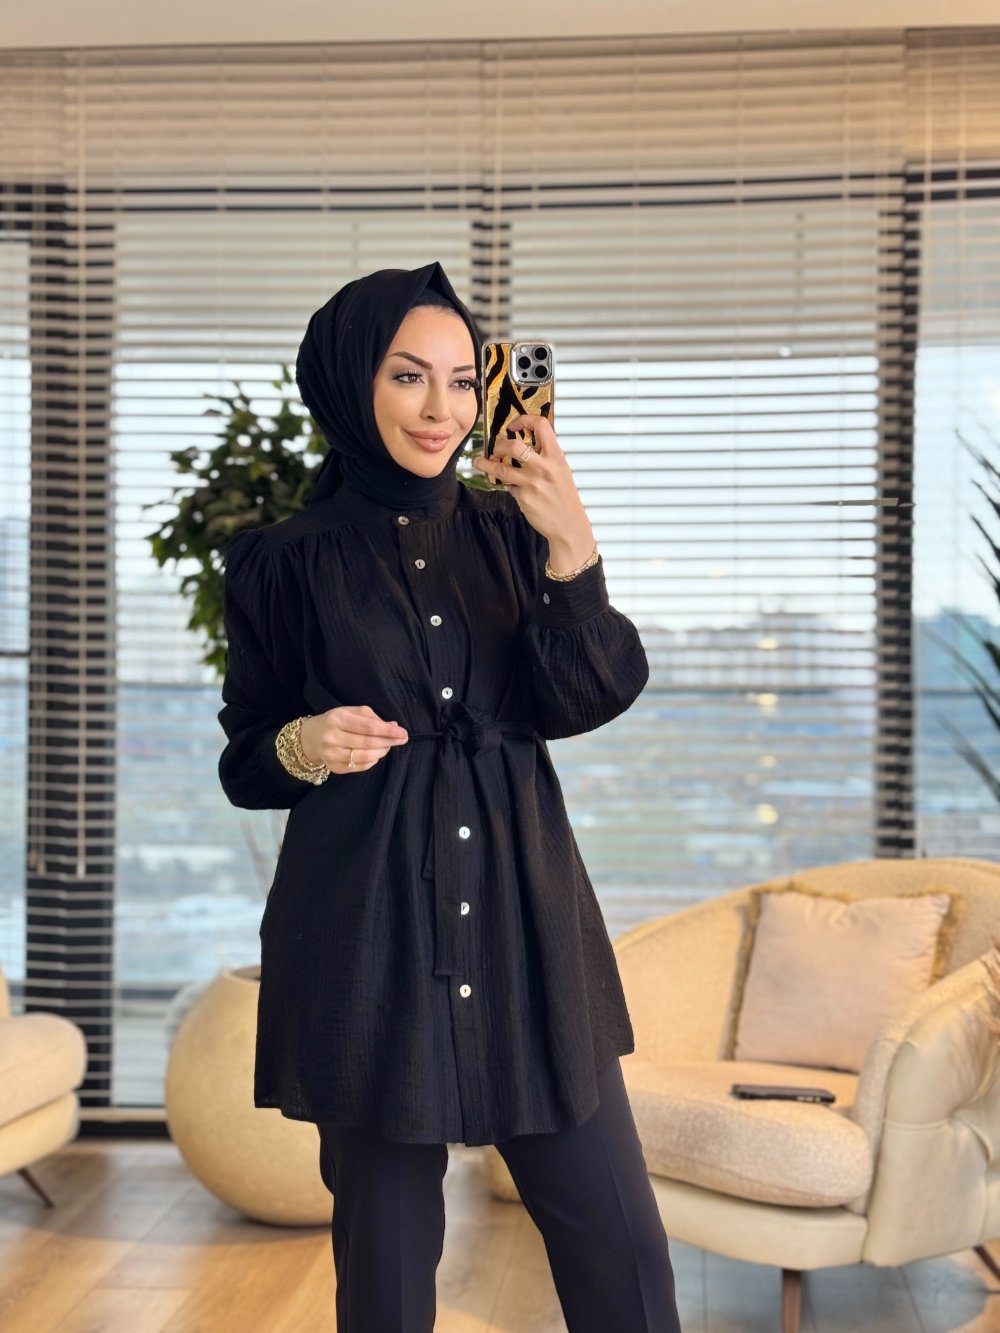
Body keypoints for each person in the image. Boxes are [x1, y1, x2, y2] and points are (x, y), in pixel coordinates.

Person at [217, 261, 683, 1332]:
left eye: (464, 380)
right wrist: (302, 741)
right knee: (385, 1275)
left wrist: (572, 543)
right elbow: (245, 761)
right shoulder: (280, 563)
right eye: (407, 376)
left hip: (526, 924)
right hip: (365, 939)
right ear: (350, 382)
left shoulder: (518, 534)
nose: (443, 408)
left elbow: (585, 697)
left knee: (622, 1252)